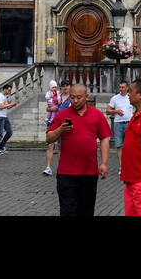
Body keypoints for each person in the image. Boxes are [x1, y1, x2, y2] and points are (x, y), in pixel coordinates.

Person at [46, 83, 111, 216]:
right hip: (67, 173)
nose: (75, 101)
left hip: (89, 172)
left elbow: (104, 138)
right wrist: (59, 130)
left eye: (79, 97)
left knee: (86, 210)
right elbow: (49, 138)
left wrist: (104, 163)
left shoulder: (97, 115)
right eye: (72, 97)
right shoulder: (62, 115)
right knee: (67, 211)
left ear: (86, 97)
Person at [120, 77, 141, 215]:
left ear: (140, 95)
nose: (128, 94)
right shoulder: (136, 114)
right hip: (130, 180)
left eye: (131, 91)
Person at [43, 79, 70, 175]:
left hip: (65, 125)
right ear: (61, 87)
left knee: (61, 147)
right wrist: (50, 108)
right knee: (50, 144)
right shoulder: (56, 96)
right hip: (54, 123)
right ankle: (48, 167)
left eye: (67, 86)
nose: (65, 88)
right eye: (63, 86)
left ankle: (61, 168)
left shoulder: (72, 98)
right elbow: (48, 108)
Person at [107, 80, 134, 149]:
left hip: (129, 123)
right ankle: (120, 160)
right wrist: (116, 111)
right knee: (119, 145)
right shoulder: (115, 98)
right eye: (120, 87)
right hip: (118, 124)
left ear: (127, 88)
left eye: (123, 87)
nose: (121, 89)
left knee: (129, 145)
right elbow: (108, 111)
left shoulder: (131, 97)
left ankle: (127, 160)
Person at [0, 82, 17, 155]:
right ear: (4, 89)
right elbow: (1, 107)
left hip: (4, 117)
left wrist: (12, 105)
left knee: (9, 132)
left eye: (10, 91)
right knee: (0, 134)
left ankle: (1, 146)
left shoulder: (4, 97)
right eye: (9, 90)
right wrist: (10, 104)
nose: (9, 92)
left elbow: (6, 106)